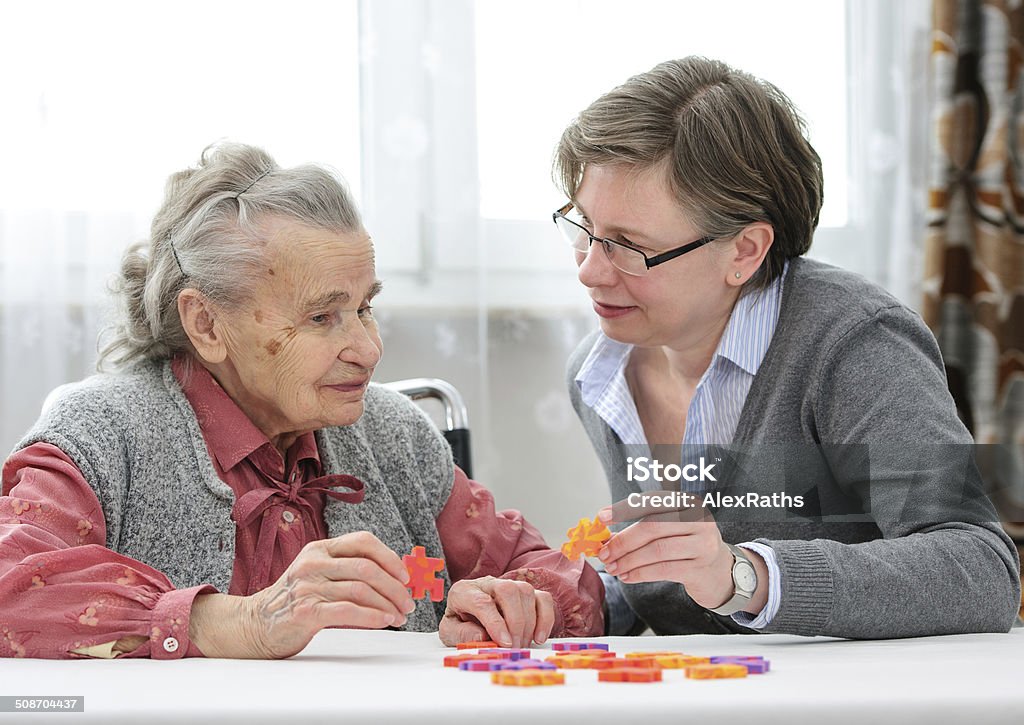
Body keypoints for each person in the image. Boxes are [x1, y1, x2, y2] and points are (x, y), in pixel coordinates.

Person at [0, 143, 603, 659]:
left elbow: (560, 576)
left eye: (365, 307)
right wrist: (238, 622)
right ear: (206, 324)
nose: (368, 349)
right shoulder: (102, 433)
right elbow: (10, 580)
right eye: (322, 316)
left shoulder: (393, 433)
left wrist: (517, 605)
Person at [553, 56, 1020, 638]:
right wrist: (565, 602)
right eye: (584, 228)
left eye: (629, 246)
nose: (590, 272)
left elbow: (978, 571)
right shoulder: (600, 373)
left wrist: (745, 576)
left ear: (745, 251)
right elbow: (677, 583)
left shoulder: (854, 346)